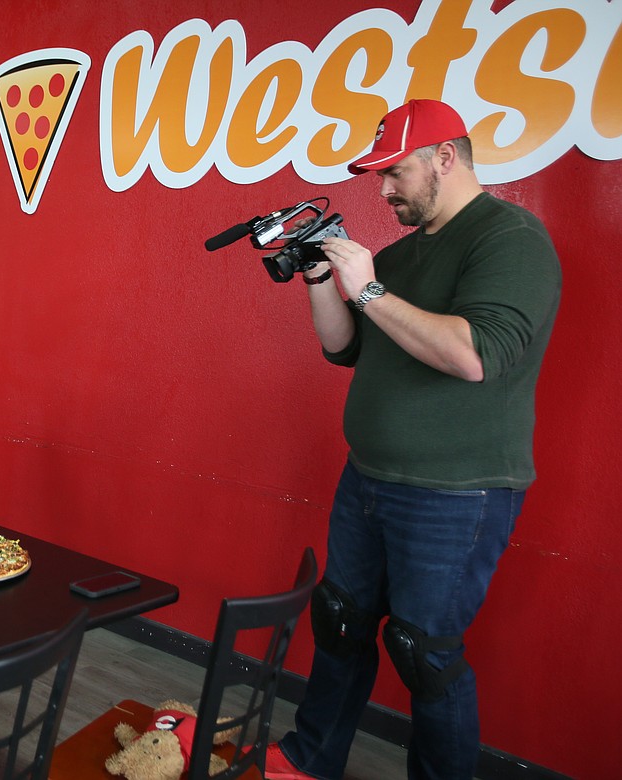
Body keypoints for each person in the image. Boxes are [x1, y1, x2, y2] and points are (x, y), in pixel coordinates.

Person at [266, 100, 562, 780]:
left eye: (394, 173)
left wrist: (366, 289)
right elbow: (342, 349)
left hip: (456, 494)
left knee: (422, 655)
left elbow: (474, 355)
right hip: (368, 476)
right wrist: (320, 278)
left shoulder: (510, 239)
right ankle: (309, 761)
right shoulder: (399, 255)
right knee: (340, 623)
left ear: (445, 158)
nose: (384, 189)